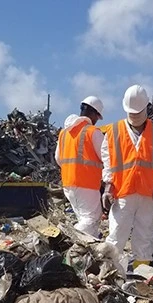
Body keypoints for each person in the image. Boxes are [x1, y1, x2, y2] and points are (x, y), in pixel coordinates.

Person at [101, 85, 153, 269]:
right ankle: (110, 272)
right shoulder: (114, 131)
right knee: (116, 234)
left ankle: (142, 273)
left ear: (147, 108)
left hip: (149, 193)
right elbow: (108, 161)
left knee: (145, 235)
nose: (135, 117)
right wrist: (108, 187)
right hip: (122, 191)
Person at [55, 96, 106, 237]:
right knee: (92, 218)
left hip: (68, 184)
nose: (96, 120)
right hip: (86, 184)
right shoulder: (93, 132)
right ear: (94, 113)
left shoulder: (64, 133)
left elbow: (58, 159)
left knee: (84, 219)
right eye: (97, 117)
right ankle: (70, 239)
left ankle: (86, 250)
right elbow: (107, 158)